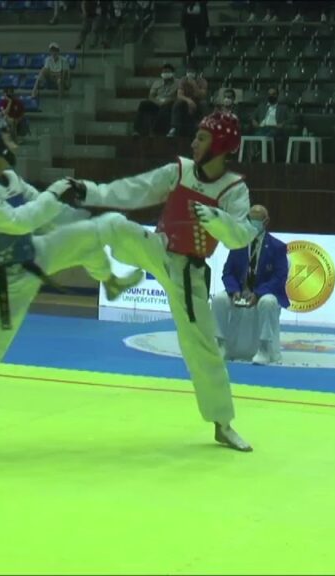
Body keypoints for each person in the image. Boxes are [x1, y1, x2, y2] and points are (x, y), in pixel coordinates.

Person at [0, 115, 144, 463]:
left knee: (97, 230)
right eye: (8, 137)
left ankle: (109, 281)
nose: (15, 143)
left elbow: (46, 212)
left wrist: (77, 218)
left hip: (32, 256)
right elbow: (21, 220)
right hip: (1, 286)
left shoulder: (9, 177)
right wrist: (54, 194)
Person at [64, 110, 257, 452]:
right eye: (196, 137)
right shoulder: (178, 171)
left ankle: (223, 424)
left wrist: (215, 218)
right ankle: (90, 262)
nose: (194, 143)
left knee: (204, 350)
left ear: (222, 144)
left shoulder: (233, 190)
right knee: (112, 224)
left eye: (202, 138)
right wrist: (89, 192)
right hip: (158, 250)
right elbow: (135, 190)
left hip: (190, 274)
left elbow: (240, 236)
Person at [211, 205, 288, 365]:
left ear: (266, 222)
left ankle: (264, 348)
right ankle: (220, 343)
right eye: (250, 220)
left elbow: (279, 277)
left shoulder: (277, 247)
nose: (253, 224)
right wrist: (234, 291)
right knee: (218, 299)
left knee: (268, 302)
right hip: (240, 291)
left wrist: (258, 293)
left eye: (257, 220)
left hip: (264, 292)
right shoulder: (238, 243)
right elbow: (228, 272)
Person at [249, 86, 293, 162]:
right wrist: (254, 121)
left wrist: (283, 123)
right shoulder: (261, 106)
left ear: (277, 95)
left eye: (273, 94)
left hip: (275, 128)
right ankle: (256, 155)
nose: (271, 96)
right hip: (262, 127)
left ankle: (259, 154)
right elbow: (252, 116)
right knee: (257, 135)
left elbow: (292, 118)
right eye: (269, 94)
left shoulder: (283, 108)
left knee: (267, 135)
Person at [134, 63, 178, 137]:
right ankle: (137, 130)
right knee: (143, 104)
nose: (165, 73)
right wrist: (157, 102)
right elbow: (151, 96)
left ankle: (156, 132)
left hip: (170, 103)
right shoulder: (157, 83)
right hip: (157, 102)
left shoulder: (178, 82)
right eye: (164, 72)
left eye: (167, 72)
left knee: (166, 107)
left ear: (173, 73)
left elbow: (177, 96)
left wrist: (167, 101)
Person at [170, 64, 208, 137]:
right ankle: (174, 128)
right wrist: (189, 101)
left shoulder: (202, 81)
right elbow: (179, 95)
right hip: (186, 100)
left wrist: (194, 85)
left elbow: (202, 95)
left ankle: (204, 128)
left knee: (204, 104)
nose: (190, 73)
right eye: (188, 71)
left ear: (196, 72)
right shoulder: (183, 80)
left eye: (192, 71)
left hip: (198, 100)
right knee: (177, 103)